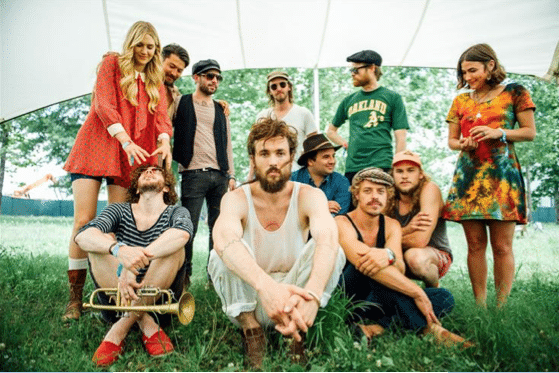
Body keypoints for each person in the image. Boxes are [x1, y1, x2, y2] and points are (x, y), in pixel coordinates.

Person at [208, 118, 345, 368]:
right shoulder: (236, 198)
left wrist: (313, 295)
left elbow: (327, 238)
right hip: (253, 295)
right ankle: (252, 332)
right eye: (264, 153)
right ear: (253, 159)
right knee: (221, 252)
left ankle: (296, 333)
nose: (273, 161)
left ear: (291, 157)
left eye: (280, 153)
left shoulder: (309, 195)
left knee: (335, 250)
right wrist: (266, 286)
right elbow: (223, 238)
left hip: (298, 298)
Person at [62, 21, 173, 321]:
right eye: (140, 45)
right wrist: (124, 140)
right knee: (84, 221)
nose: (145, 52)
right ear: (131, 43)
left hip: (128, 155)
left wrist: (164, 141)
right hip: (98, 145)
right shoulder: (112, 63)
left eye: (151, 47)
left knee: (116, 224)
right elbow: (104, 104)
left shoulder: (155, 79)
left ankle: (110, 294)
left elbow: (161, 116)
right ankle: (74, 299)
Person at [442, 43, 536, 307]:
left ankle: (501, 308)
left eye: (473, 70)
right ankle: (480, 306)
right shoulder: (461, 100)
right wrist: (462, 143)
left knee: (502, 247)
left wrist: (500, 133)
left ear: (490, 66)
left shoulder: (515, 92)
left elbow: (529, 132)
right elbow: (452, 140)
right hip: (469, 178)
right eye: (464, 73)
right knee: (474, 245)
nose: (468, 77)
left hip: (502, 178)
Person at [336, 167, 471, 347]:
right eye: (367, 191)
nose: (374, 196)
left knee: (444, 296)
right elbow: (360, 259)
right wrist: (417, 293)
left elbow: (399, 267)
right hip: (349, 296)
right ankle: (430, 330)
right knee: (368, 266)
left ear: (387, 196)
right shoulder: (341, 222)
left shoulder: (392, 225)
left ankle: (376, 328)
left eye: (380, 192)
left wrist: (387, 254)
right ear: (357, 195)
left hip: (380, 298)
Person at [75, 164, 193, 366]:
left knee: (176, 247)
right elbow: (83, 235)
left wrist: (133, 263)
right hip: (116, 297)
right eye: (144, 172)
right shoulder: (118, 210)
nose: (149, 172)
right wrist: (119, 250)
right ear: (137, 189)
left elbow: (182, 233)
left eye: (156, 171)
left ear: (166, 188)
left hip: (160, 301)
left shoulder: (177, 212)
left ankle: (118, 330)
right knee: (96, 246)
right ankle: (146, 322)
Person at [172, 59, 236, 284]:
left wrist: (231, 174)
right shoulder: (181, 102)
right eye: (209, 76)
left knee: (217, 229)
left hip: (220, 175)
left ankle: (214, 276)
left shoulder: (221, 108)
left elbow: (227, 142)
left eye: (218, 77)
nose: (214, 81)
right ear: (196, 77)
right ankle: (184, 275)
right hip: (192, 173)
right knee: (188, 227)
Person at [326, 50, 409, 184]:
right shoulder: (348, 100)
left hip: (382, 164)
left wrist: (397, 166)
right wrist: (344, 143)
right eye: (351, 70)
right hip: (353, 168)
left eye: (356, 70)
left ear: (371, 68)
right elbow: (330, 131)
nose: (352, 74)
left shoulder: (392, 97)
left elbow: (401, 136)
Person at [385, 150, 452, 288]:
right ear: (392, 175)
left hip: (433, 255)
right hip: (397, 254)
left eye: (410, 170)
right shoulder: (387, 195)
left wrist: (387, 239)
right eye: (399, 171)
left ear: (420, 174)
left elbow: (419, 240)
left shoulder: (429, 189)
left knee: (414, 257)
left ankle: (433, 291)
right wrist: (407, 229)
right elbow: (373, 233)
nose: (404, 176)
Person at [256, 70, 318, 172]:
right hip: (271, 173)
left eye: (282, 84)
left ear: (289, 87)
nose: (279, 89)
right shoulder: (262, 116)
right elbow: (256, 149)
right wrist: (251, 174)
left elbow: (315, 145)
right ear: (269, 91)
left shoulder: (303, 113)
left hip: (299, 172)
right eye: (274, 87)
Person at [291, 133, 351, 216]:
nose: (332, 161)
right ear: (310, 161)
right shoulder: (292, 180)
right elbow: (288, 213)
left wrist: (305, 209)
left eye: (333, 156)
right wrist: (322, 206)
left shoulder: (342, 182)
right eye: (326, 157)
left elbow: (338, 217)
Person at [161, 43, 190, 118]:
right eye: (171, 66)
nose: (174, 73)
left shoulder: (176, 94)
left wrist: (216, 105)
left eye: (179, 71)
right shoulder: (142, 85)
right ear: (160, 61)